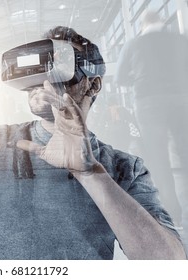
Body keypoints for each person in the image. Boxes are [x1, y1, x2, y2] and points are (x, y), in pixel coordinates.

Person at [0, 24, 186, 259]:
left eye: (60, 61)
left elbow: (167, 263)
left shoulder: (124, 168)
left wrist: (90, 174)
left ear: (93, 84)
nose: (44, 77)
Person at [115, 11, 188, 250]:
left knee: (158, 160)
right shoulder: (179, 40)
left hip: (149, 102)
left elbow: (121, 78)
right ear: (160, 23)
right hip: (180, 100)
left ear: (143, 26)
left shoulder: (134, 44)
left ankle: (174, 215)